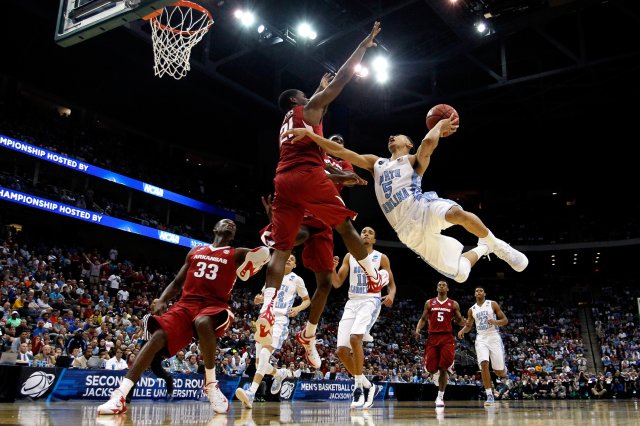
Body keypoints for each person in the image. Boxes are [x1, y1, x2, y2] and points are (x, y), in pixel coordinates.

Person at [257, 21, 389, 366]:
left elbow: (321, 109)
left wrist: (347, 176)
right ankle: (372, 275)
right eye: (310, 95)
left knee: (307, 266)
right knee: (347, 225)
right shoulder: (307, 112)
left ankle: (274, 310)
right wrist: (363, 44)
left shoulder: (290, 123)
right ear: (299, 101)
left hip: (284, 179)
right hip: (307, 182)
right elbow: (342, 81)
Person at [283, 117, 529, 283]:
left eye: (397, 136)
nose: (391, 136)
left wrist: (439, 124)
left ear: (408, 144)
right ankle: (484, 248)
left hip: (422, 206)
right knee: (461, 274)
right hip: (407, 232)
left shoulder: (413, 160)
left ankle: (497, 245)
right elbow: (341, 152)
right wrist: (311, 135)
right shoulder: (375, 163)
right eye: (390, 136)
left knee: (457, 214)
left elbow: (428, 143)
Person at [97, 219, 270, 416]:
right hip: (186, 304)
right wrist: (162, 299)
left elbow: (265, 253)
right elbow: (178, 281)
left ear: (233, 235)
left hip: (215, 305)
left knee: (202, 322)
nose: (230, 223)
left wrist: (259, 255)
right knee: (157, 338)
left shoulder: (236, 252)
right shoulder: (195, 251)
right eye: (225, 222)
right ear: (215, 228)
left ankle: (211, 384)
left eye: (233, 225)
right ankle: (120, 395)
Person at [331, 226, 395, 410]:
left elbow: (391, 284)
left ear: (374, 240)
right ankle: (369, 385)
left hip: (370, 300)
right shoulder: (349, 256)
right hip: (352, 302)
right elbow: (336, 283)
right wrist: (332, 269)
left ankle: (357, 388)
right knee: (341, 351)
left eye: (370, 232)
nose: (366, 233)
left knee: (355, 338)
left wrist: (391, 295)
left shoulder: (381, 257)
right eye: (363, 231)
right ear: (358, 237)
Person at [235, 253, 311, 409]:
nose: (289, 259)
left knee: (264, 355)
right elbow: (263, 297)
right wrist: (258, 299)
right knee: (259, 364)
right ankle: (279, 374)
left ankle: (251, 393)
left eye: (292, 259)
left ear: (295, 265)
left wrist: (297, 308)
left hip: (280, 320)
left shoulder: (297, 279)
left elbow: (307, 300)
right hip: (264, 319)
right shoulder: (272, 276)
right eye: (287, 257)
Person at [415, 279, 465, 408]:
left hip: (447, 337)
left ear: (447, 289)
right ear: (437, 288)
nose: (441, 286)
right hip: (433, 337)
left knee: (444, 367)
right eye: (439, 285)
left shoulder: (453, 304)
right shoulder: (429, 303)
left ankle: (440, 397)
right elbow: (423, 318)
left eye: (444, 285)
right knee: (431, 368)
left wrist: (465, 323)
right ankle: (436, 372)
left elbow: (459, 320)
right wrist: (418, 329)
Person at [457, 286, 508, 406]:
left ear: (484, 293)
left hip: (494, 336)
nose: (478, 292)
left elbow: (505, 320)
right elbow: (469, 325)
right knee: (484, 364)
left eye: (480, 291)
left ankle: (504, 370)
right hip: (481, 338)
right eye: (476, 291)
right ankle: (489, 394)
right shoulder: (472, 309)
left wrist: (495, 322)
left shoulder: (492, 304)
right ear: (475, 294)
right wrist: (463, 330)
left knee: (499, 372)